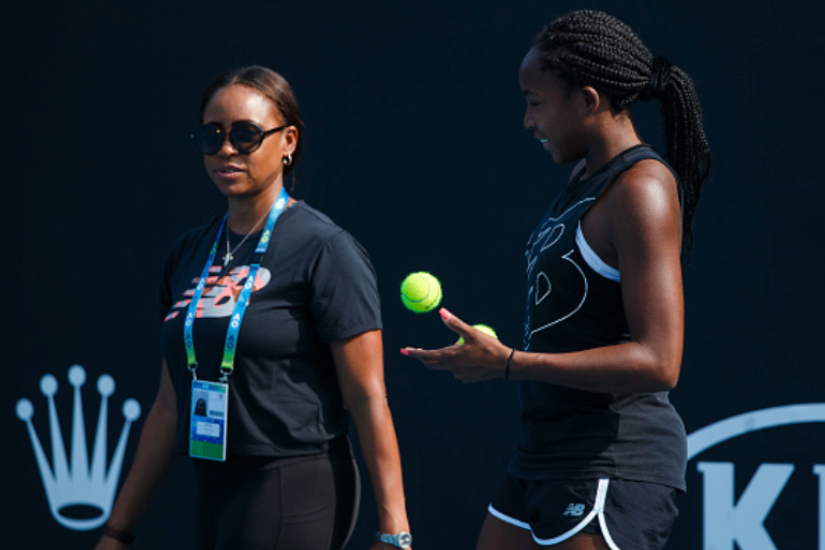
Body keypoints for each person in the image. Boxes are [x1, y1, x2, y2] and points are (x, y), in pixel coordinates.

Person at [403, 10, 710, 550]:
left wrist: (510, 364)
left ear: (588, 100)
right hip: (541, 452)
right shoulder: (582, 179)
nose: (527, 120)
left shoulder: (643, 188)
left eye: (535, 102)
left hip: (612, 463)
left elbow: (660, 361)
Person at [95, 66, 412, 550]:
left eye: (245, 135)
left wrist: (395, 531)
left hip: (295, 483)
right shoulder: (190, 251)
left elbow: (369, 399)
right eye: (212, 134)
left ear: (287, 141)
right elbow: (168, 404)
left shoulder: (326, 249)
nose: (225, 149)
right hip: (216, 486)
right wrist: (117, 530)